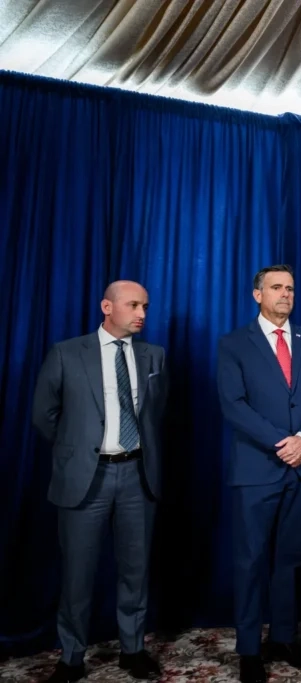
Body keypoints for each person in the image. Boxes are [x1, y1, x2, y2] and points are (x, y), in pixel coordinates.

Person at [31, 281, 167, 682]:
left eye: (145, 306)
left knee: (135, 571)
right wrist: (78, 448)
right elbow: (44, 414)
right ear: (107, 307)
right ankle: (71, 656)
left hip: (137, 476)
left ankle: (133, 650)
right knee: (78, 572)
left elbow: (157, 415)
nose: (142, 313)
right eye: (133, 305)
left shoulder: (154, 355)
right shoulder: (67, 352)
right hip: (85, 478)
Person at [216, 264, 301, 683]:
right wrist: (281, 444)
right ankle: (250, 649)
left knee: (291, 560)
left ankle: (285, 638)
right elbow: (234, 405)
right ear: (257, 295)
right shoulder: (234, 344)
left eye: (290, 288)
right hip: (257, 469)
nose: (285, 294)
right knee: (250, 562)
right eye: (276, 288)